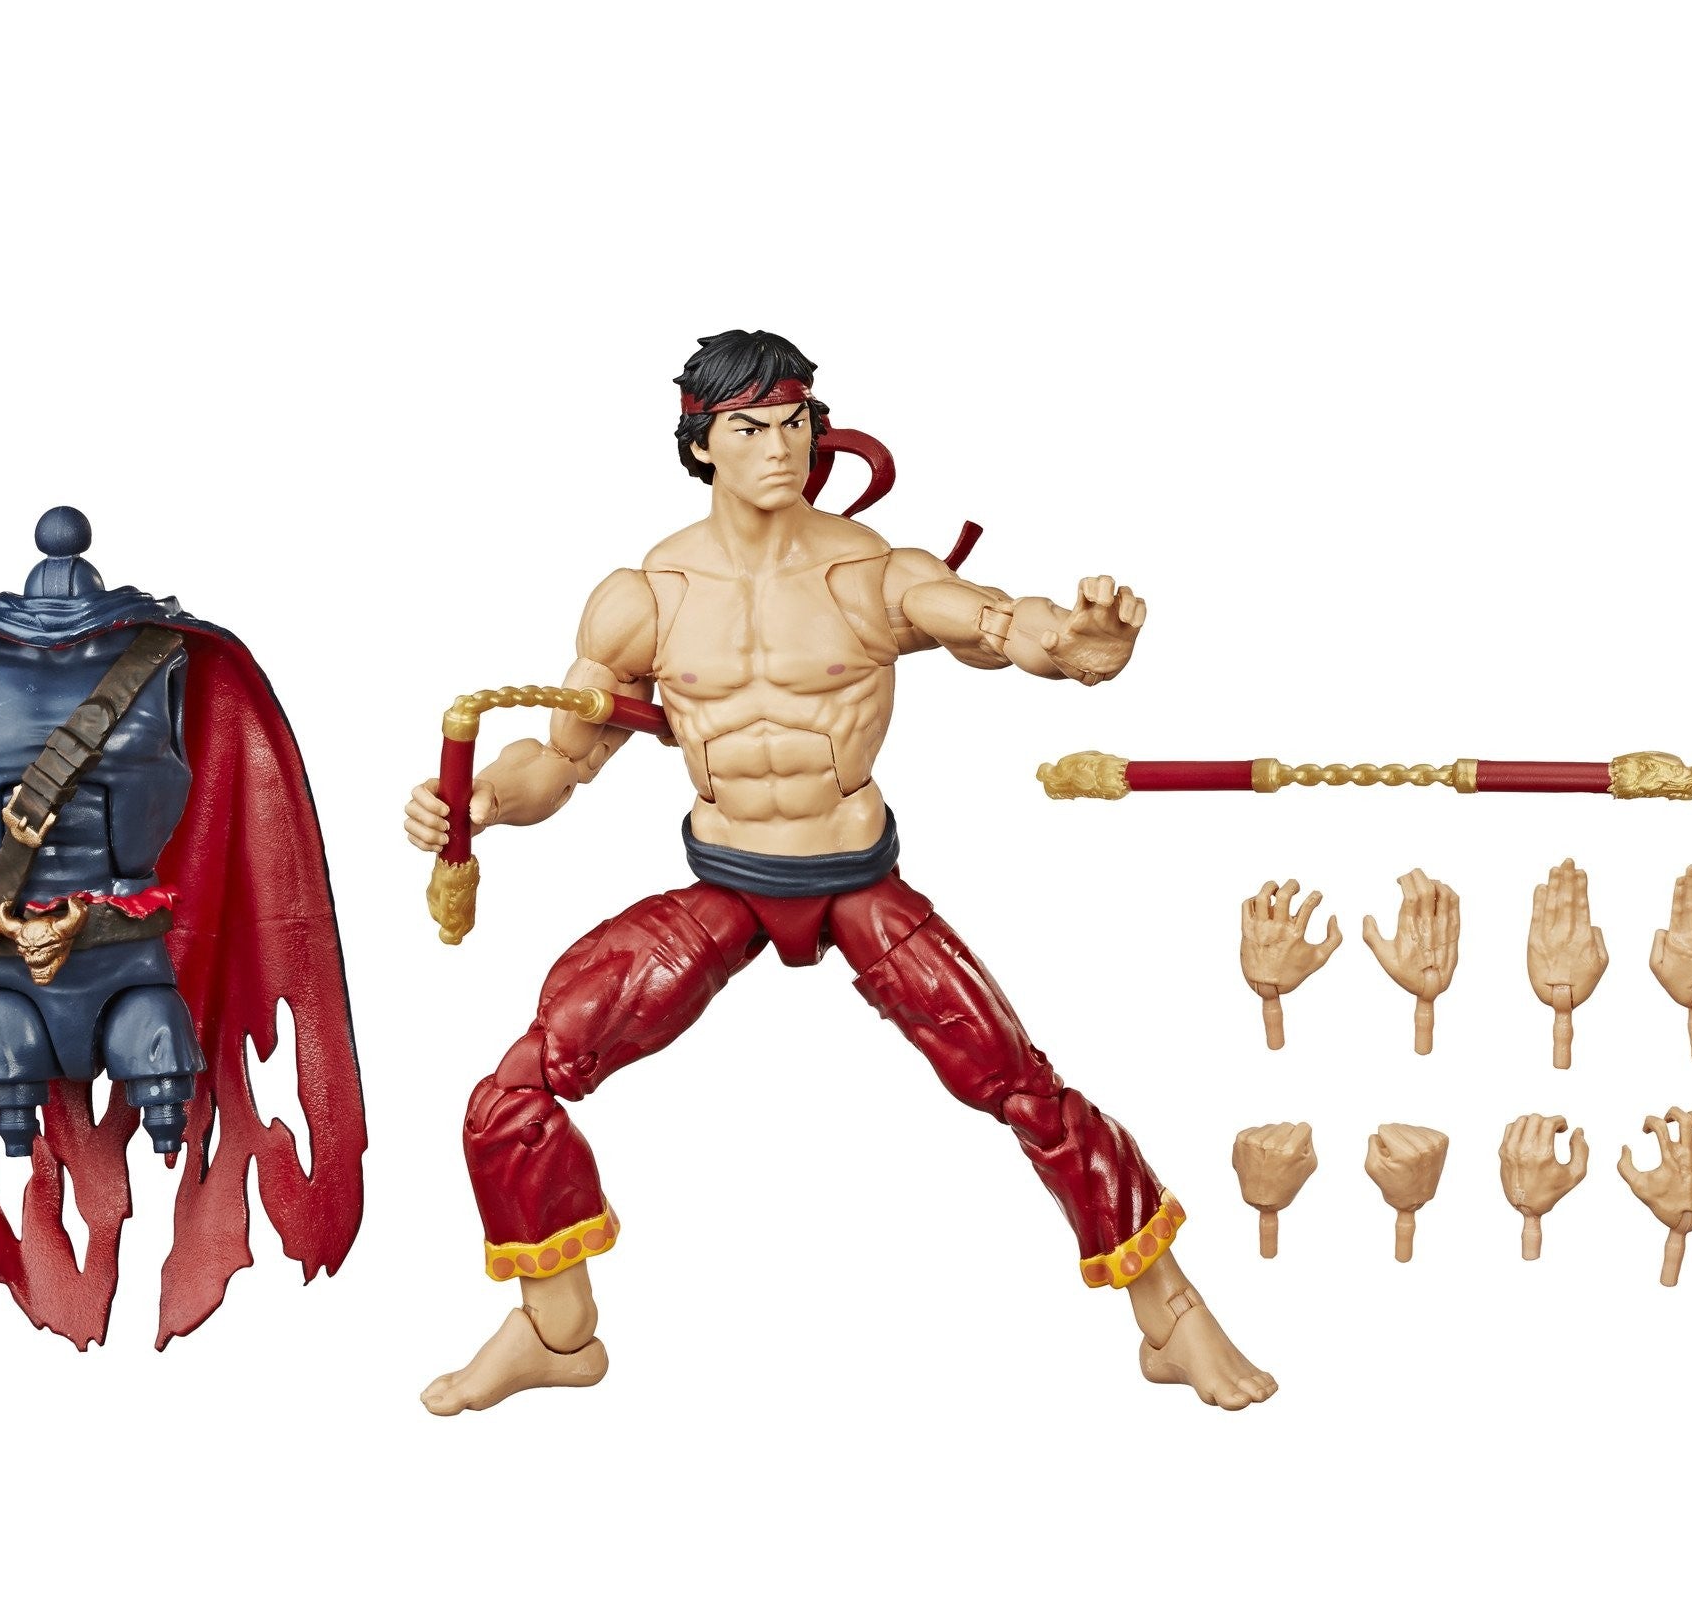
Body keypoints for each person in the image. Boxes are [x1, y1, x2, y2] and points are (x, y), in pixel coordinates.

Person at [404, 330, 1275, 1412]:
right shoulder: (645, 595)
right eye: (749, 428)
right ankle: (554, 1331)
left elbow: (998, 623)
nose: (779, 447)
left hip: (857, 882)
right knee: (514, 1090)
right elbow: (562, 761)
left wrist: (1076, 642)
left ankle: (1172, 1319)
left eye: (794, 423)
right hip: (725, 883)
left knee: (1021, 1085)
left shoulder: (870, 573)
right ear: (700, 443)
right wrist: (483, 802)